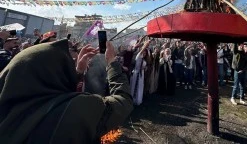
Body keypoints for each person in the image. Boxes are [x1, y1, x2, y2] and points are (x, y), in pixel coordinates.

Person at [0, 39, 133, 143]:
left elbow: (57, 91)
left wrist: (78, 72)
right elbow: (123, 101)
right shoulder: (76, 108)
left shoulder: (10, 109)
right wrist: (112, 63)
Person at [130, 38, 151, 106]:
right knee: (134, 86)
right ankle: (132, 100)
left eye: (145, 52)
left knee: (140, 87)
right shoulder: (138, 56)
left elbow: (146, 66)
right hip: (136, 74)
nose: (144, 53)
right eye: (143, 52)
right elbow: (141, 51)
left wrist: (145, 68)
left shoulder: (144, 60)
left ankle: (138, 100)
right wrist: (146, 44)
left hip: (141, 75)